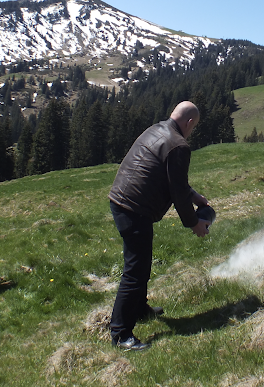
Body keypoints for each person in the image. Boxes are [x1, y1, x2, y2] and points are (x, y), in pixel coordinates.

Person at [108, 101, 211, 351]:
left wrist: (194, 195)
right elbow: (177, 193)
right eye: (193, 127)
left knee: (142, 263)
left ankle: (140, 309)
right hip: (134, 209)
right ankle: (121, 334)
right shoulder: (179, 145)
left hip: (121, 200)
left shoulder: (157, 129)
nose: (192, 131)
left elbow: (172, 179)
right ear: (189, 123)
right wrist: (195, 223)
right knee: (135, 270)